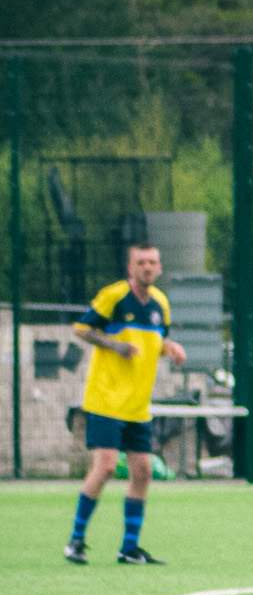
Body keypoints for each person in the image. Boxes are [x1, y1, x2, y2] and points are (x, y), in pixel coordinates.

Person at [62, 240, 184, 565]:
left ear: (159, 267)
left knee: (143, 472)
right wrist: (115, 347)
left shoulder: (161, 304)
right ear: (131, 268)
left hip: (137, 406)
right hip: (105, 400)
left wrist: (170, 348)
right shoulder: (114, 296)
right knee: (103, 468)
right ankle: (76, 541)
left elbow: (157, 340)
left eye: (152, 262)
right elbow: (81, 329)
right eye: (141, 262)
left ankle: (129, 548)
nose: (148, 267)